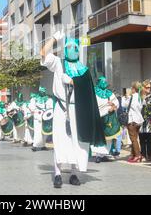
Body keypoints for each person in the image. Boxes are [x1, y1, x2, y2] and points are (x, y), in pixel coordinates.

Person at [40, 31, 105, 188]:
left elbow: (89, 92)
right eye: (69, 46)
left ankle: (75, 174)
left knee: (78, 142)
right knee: (60, 140)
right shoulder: (58, 63)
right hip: (62, 108)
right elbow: (42, 53)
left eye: (75, 47)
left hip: (80, 110)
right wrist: (54, 38)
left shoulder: (84, 69)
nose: (73, 49)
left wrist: (73, 81)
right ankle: (57, 174)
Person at [91, 77, 121, 163]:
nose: (104, 83)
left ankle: (104, 154)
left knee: (108, 137)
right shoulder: (94, 92)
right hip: (97, 117)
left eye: (105, 82)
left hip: (108, 117)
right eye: (102, 81)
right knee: (99, 137)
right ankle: (98, 155)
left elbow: (117, 103)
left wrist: (113, 106)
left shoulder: (109, 93)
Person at [122, 81, 144, 163]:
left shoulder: (131, 97)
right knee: (135, 138)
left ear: (134, 89)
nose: (131, 89)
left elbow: (123, 105)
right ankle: (134, 155)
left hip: (132, 120)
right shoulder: (141, 97)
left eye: (131, 88)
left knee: (133, 139)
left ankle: (138, 155)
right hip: (139, 120)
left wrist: (125, 97)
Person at [138, 80, 151, 162]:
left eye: (150, 87)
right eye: (147, 87)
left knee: (149, 139)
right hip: (141, 120)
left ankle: (149, 155)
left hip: (149, 120)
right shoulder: (139, 97)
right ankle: (143, 154)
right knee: (142, 139)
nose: (149, 89)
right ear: (143, 88)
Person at [31, 87, 53, 152]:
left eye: (43, 92)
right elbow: (32, 107)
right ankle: (35, 145)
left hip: (45, 117)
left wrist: (48, 114)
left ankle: (43, 145)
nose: (42, 93)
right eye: (41, 91)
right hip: (37, 116)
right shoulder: (34, 99)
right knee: (37, 131)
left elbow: (50, 108)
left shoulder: (48, 99)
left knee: (44, 132)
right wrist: (35, 112)